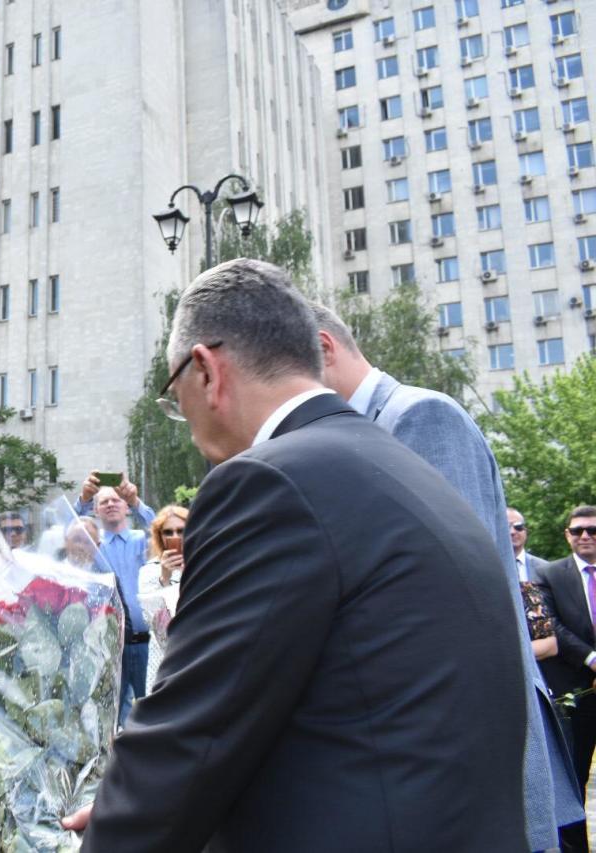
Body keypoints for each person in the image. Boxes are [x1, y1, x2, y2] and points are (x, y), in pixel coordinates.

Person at [67, 259, 527, 852]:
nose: (188, 427)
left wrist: (117, 829)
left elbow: (196, 728)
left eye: (176, 401)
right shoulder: (399, 465)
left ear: (205, 370)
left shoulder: (267, 482)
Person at [314, 303, 585, 852]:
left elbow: (459, 608)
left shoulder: (418, 417)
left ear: (322, 349)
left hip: (475, 765)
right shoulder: (358, 431)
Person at [74, 474, 154, 727]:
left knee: (155, 709)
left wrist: (137, 501)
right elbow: (68, 532)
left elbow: (164, 529)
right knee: (114, 714)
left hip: (146, 642)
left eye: (116, 500)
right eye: (103, 501)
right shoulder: (93, 546)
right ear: (95, 510)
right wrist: (83, 499)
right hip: (109, 646)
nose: (110, 504)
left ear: (126, 507)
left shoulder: (143, 541)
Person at [536, 506, 596, 835]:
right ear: (567, 535)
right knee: (575, 777)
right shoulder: (549, 575)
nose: (585, 536)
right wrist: (592, 659)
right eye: (577, 530)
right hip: (576, 692)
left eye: (592, 530)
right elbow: (553, 627)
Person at [137, 505, 188, 695]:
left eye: (181, 531)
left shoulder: (204, 563)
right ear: (160, 536)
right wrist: (164, 578)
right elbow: (153, 621)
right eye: (168, 532)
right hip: (164, 658)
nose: (175, 536)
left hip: (198, 652)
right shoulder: (150, 571)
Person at [511, 507, 546, 584]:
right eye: (506, 527)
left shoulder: (545, 569)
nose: (512, 532)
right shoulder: (490, 567)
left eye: (518, 527)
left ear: (525, 530)